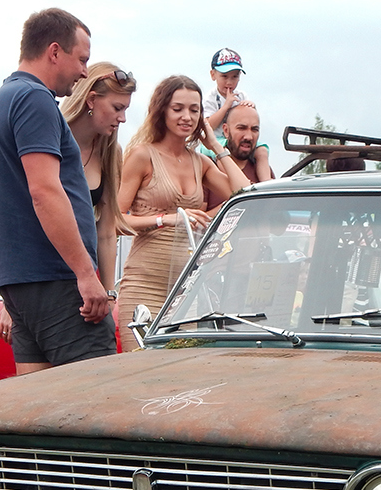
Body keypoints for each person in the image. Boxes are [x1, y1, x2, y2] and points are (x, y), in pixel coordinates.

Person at [0, 8, 115, 375]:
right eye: (81, 59)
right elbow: (45, 191)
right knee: (92, 402)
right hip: (58, 281)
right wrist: (86, 273)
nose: (84, 71)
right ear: (54, 52)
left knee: (34, 407)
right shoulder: (34, 101)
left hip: (18, 284)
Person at [0, 62, 137, 346]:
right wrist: (12, 302)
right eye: (117, 108)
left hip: (85, 285)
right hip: (41, 277)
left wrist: (109, 294)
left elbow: (107, 231)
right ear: (91, 100)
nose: (122, 119)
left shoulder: (111, 150)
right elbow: (23, 215)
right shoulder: (47, 135)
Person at [116, 75, 252, 344]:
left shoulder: (199, 161)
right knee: (142, 371)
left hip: (187, 291)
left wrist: (215, 145)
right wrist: (167, 219)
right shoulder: (143, 155)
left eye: (194, 109)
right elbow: (117, 220)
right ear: (162, 110)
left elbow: (244, 194)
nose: (187, 117)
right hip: (145, 286)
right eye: (177, 108)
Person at [202, 49, 273, 179]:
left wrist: (251, 106)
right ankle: (232, 182)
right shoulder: (210, 98)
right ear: (213, 75)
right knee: (222, 154)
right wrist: (226, 106)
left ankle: (266, 185)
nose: (229, 82)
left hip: (234, 139)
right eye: (224, 76)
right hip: (214, 141)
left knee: (262, 151)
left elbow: (250, 118)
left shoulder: (241, 95)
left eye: (235, 77)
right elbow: (208, 126)